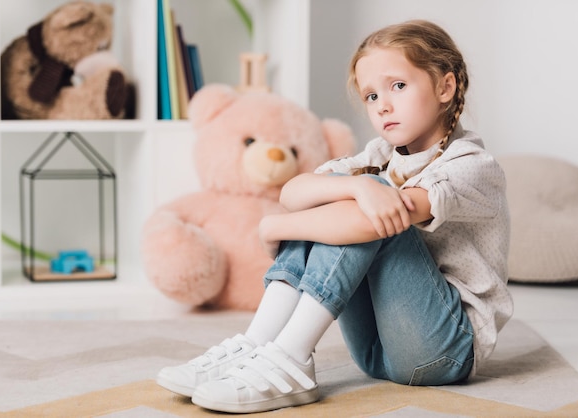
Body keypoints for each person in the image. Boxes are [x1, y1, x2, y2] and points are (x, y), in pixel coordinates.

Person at [156, 19, 513, 414]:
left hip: (445, 350)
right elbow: (295, 192)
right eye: (371, 96)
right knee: (349, 197)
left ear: (445, 87)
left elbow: (367, 219)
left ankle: (291, 356)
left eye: (398, 86)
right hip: (375, 348)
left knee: (377, 204)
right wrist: (356, 186)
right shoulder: (379, 155)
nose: (383, 105)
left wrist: (275, 226)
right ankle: (258, 343)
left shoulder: (472, 165)